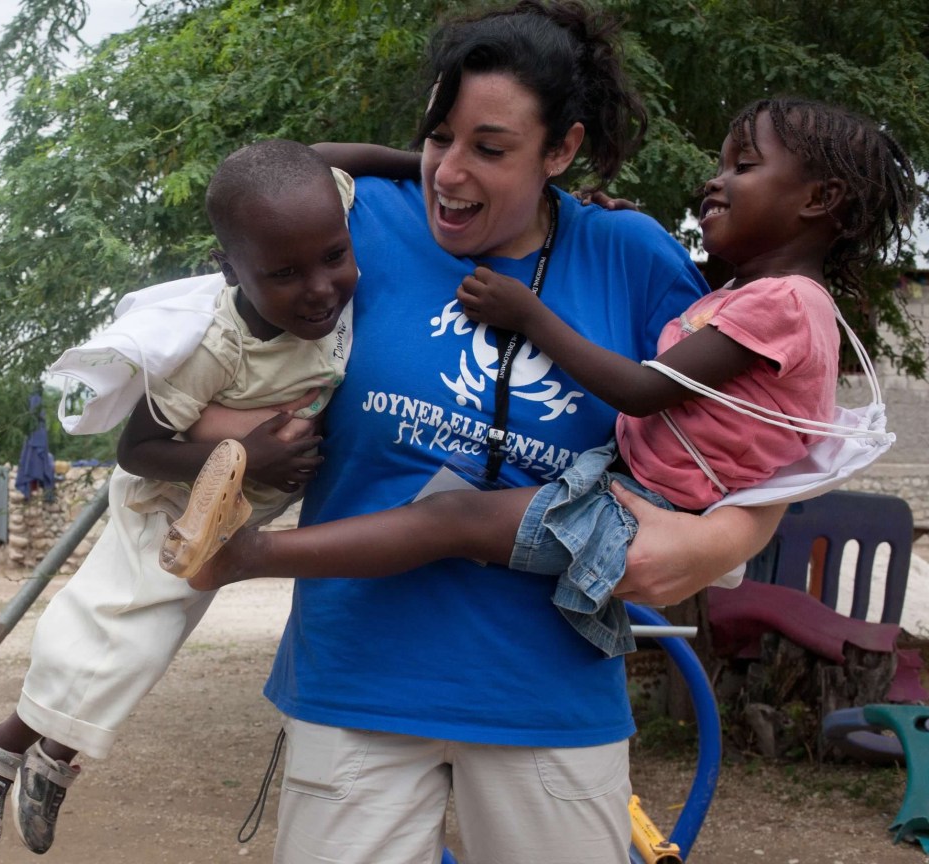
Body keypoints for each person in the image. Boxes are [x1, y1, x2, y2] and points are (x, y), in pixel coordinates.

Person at [185, 4, 797, 863]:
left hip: (547, 695)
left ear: (563, 150)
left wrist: (720, 541)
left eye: (492, 148)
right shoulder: (356, 227)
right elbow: (261, 186)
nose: (451, 174)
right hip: (358, 681)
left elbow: (777, 425)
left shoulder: (631, 254)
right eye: (441, 137)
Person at [191, 97, 916, 667]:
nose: (713, 180)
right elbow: (306, 162)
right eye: (445, 139)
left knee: (455, 522)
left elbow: (642, 389)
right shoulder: (748, 298)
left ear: (819, 200)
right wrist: (437, 163)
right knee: (458, 524)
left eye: (744, 167)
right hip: (626, 487)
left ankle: (246, 554)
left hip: (642, 507)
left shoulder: (786, 304)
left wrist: (530, 315)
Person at [0, 138, 360, 856]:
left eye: (333, 259)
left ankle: (51, 760)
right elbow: (137, 448)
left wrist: (426, 167)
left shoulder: (326, 224)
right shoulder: (217, 347)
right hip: (166, 496)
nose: (319, 288)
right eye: (284, 274)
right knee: (114, 627)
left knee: (149, 646)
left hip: (228, 514)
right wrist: (247, 453)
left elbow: (338, 163)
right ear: (232, 270)